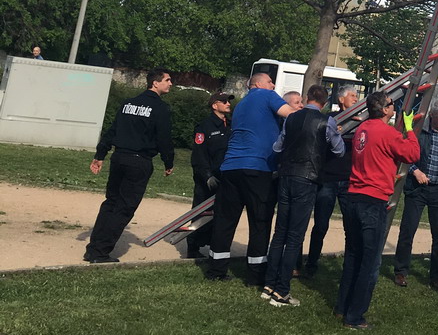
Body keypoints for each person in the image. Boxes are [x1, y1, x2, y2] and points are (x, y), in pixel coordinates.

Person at [335, 91, 421, 329]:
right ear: (384, 110)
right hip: (373, 200)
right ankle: (355, 317)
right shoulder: (387, 132)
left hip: (353, 196)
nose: (394, 107)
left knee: (353, 255)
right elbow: (412, 154)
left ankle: (342, 307)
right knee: (369, 261)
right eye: (391, 104)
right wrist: (410, 129)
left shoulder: (363, 129)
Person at [261, 84, 345, 307]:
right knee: (294, 236)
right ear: (324, 103)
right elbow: (339, 150)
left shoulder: (292, 118)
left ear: (307, 98)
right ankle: (282, 291)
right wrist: (334, 135)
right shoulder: (327, 122)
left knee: (280, 232)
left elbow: (278, 147)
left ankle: (269, 284)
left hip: (287, 175)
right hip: (308, 177)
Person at [206, 73, 293, 285]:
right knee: (259, 221)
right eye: (270, 81)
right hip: (257, 167)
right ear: (258, 84)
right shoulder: (266, 95)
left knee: (225, 221)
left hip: (231, 167)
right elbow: (292, 115)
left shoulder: (242, 104)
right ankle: (255, 274)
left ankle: (216, 269)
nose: (273, 84)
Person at [84, 68, 174, 263]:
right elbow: (164, 138)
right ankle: (100, 252)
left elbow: (112, 131)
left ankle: (92, 249)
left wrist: (100, 154)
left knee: (110, 202)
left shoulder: (128, 104)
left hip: (119, 158)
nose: (170, 83)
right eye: (167, 80)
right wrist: (169, 162)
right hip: (139, 161)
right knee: (124, 207)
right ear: (155, 83)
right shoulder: (160, 108)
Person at [393, 103, 438, 290]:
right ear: (432, 116)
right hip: (418, 190)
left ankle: (436, 277)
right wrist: (415, 171)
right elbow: (406, 154)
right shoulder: (420, 132)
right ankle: (401, 271)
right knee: (408, 231)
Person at [304, 84, 360, 277]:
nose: (356, 99)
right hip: (327, 179)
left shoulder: (360, 122)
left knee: (350, 226)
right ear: (341, 99)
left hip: (348, 180)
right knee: (321, 225)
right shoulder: (330, 119)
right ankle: (311, 264)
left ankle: (349, 267)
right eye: (352, 95)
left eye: (357, 96)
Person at [185, 92, 233, 259]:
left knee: (221, 215)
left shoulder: (231, 125)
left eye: (228, 101)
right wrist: (207, 176)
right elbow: (199, 155)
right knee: (200, 212)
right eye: (224, 101)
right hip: (207, 178)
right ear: (214, 105)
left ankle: (215, 247)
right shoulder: (204, 126)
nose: (228, 104)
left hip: (226, 177)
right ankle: (193, 246)